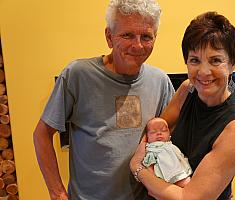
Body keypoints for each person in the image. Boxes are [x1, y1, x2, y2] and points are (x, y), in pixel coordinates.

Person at [33, 0, 175, 199]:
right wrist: (57, 192)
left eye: (146, 36)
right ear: (109, 37)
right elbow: (42, 134)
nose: (138, 45)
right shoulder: (77, 75)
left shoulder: (160, 81)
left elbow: (171, 140)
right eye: (127, 35)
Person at [130, 11, 235, 200]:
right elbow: (155, 132)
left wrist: (138, 169)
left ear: (232, 63)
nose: (204, 72)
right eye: (195, 60)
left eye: (215, 60)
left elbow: (190, 198)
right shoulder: (188, 90)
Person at [143, 117, 192, 188]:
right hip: (167, 177)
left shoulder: (170, 145)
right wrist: (153, 181)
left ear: (169, 134)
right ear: (147, 137)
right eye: (153, 132)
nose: (159, 133)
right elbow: (150, 164)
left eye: (164, 130)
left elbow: (179, 155)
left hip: (181, 171)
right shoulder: (152, 148)